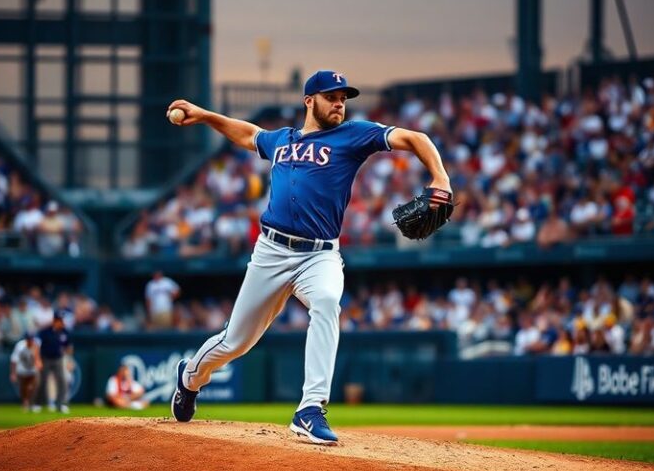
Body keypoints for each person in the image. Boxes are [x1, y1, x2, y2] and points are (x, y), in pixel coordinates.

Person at [166, 70, 451, 444]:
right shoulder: (282, 140)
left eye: (343, 98)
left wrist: (440, 178)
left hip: (320, 255)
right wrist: (205, 115)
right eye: (331, 96)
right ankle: (190, 378)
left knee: (328, 301)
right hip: (270, 251)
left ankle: (310, 408)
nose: (339, 103)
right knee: (236, 341)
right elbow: (248, 134)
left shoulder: (353, 135)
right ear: (309, 101)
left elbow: (416, 137)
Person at [33, 312, 72, 413]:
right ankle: (37, 404)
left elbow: (68, 347)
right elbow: (37, 346)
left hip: (58, 359)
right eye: (60, 320)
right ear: (55, 321)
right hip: (45, 359)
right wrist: (37, 360)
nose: (62, 323)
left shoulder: (64, 332)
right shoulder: (45, 331)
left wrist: (69, 359)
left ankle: (60, 405)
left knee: (62, 382)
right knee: (42, 382)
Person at [9, 332, 42, 411]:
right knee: (24, 388)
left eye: (31, 339)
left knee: (34, 385)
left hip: (32, 369)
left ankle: (31, 403)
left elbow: (37, 357)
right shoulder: (20, 346)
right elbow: (14, 360)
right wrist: (13, 373)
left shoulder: (36, 345)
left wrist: (39, 363)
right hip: (22, 370)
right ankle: (25, 402)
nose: (30, 341)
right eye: (29, 339)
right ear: (26, 339)